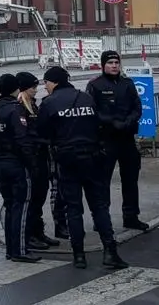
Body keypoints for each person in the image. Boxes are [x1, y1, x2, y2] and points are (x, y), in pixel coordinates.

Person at [35, 65, 127, 270]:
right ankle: (110, 252)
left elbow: (41, 133)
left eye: (46, 83)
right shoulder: (85, 98)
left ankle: (79, 256)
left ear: (54, 82)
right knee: (99, 207)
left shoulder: (49, 103)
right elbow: (99, 124)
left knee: (73, 209)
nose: (45, 87)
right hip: (93, 158)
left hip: (67, 160)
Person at [85, 50, 148, 231]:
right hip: (106, 140)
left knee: (130, 180)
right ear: (103, 64)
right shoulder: (95, 85)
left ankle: (131, 216)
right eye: (110, 63)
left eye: (116, 63)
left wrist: (128, 121)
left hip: (127, 138)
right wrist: (111, 122)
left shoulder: (127, 84)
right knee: (102, 181)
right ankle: (101, 218)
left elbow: (137, 107)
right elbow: (92, 111)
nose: (114, 66)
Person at [0, 74, 42, 263]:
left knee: (10, 206)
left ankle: (11, 249)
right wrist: (32, 163)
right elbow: (22, 140)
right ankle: (20, 249)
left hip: (1, 163)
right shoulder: (15, 110)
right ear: (15, 88)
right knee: (21, 206)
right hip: (17, 164)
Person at [18, 69, 60, 250]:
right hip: (33, 158)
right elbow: (28, 135)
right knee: (33, 199)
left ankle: (38, 232)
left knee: (39, 197)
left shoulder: (33, 104)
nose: (36, 90)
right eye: (33, 87)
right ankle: (30, 235)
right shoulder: (21, 106)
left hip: (41, 156)